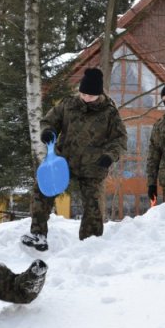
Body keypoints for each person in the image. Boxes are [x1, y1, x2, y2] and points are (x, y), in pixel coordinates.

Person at [22, 68, 127, 251]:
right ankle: (38, 234)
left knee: (93, 207)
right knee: (42, 189)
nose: (86, 98)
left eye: (90, 95)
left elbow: (119, 139)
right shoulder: (68, 104)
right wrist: (48, 131)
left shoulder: (109, 113)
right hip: (64, 161)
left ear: (99, 94)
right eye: (83, 93)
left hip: (94, 166)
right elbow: (48, 121)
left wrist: (109, 156)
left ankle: (89, 245)